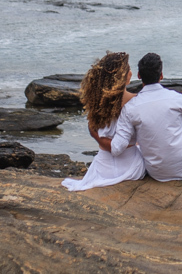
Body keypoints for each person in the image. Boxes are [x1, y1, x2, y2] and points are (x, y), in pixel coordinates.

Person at [61, 51, 146, 191]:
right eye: (128, 69)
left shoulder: (97, 103)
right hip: (131, 167)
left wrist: (96, 136)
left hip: (102, 166)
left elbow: (95, 130)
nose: (131, 72)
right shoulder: (137, 101)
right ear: (124, 77)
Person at [109, 52, 182, 181]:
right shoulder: (178, 99)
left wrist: (97, 135)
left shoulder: (130, 108)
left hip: (157, 173)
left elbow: (117, 148)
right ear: (161, 76)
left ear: (139, 75)